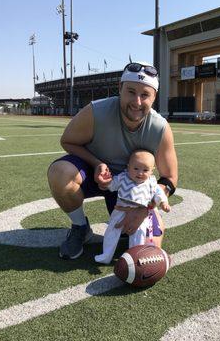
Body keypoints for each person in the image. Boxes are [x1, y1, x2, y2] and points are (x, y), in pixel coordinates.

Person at [47, 61, 178, 260]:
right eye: (131, 92)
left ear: (154, 97)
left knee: (148, 249)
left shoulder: (160, 127)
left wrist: (146, 208)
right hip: (93, 173)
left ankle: (129, 228)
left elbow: (169, 178)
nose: (137, 102)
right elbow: (68, 141)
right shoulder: (96, 112)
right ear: (120, 89)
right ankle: (80, 227)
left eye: (145, 95)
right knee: (60, 173)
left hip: (130, 188)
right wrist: (96, 163)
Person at [95, 149, 170, 264]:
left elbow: (159, 193)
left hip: (141, 213)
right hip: (120, 210)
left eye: (145, 170)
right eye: (136, 168)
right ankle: (106, 255)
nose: (140, 173)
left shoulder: (151, 182)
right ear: (128, 167)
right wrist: (105, 183)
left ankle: (134, 257)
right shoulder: (123, 177)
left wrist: (163, 202)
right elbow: (112, 185)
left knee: (138, 235)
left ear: (152, 171)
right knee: (112, 231)